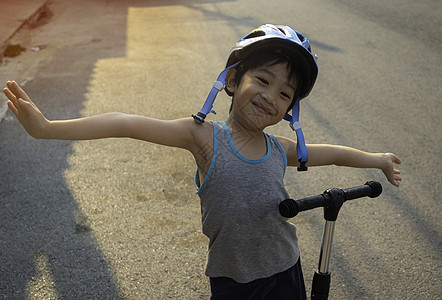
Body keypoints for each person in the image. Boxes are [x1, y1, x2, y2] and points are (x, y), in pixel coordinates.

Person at [3, 24, 401, 299]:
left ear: (290, 110)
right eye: (262, 81)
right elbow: (125, 123)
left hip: (284, 270)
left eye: (285, 94)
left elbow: (332, 155)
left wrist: (377, 158)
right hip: (232, 280)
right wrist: (48, 128)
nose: (270, 97)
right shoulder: (204, 137)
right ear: (231, 82)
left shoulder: (281, 148)